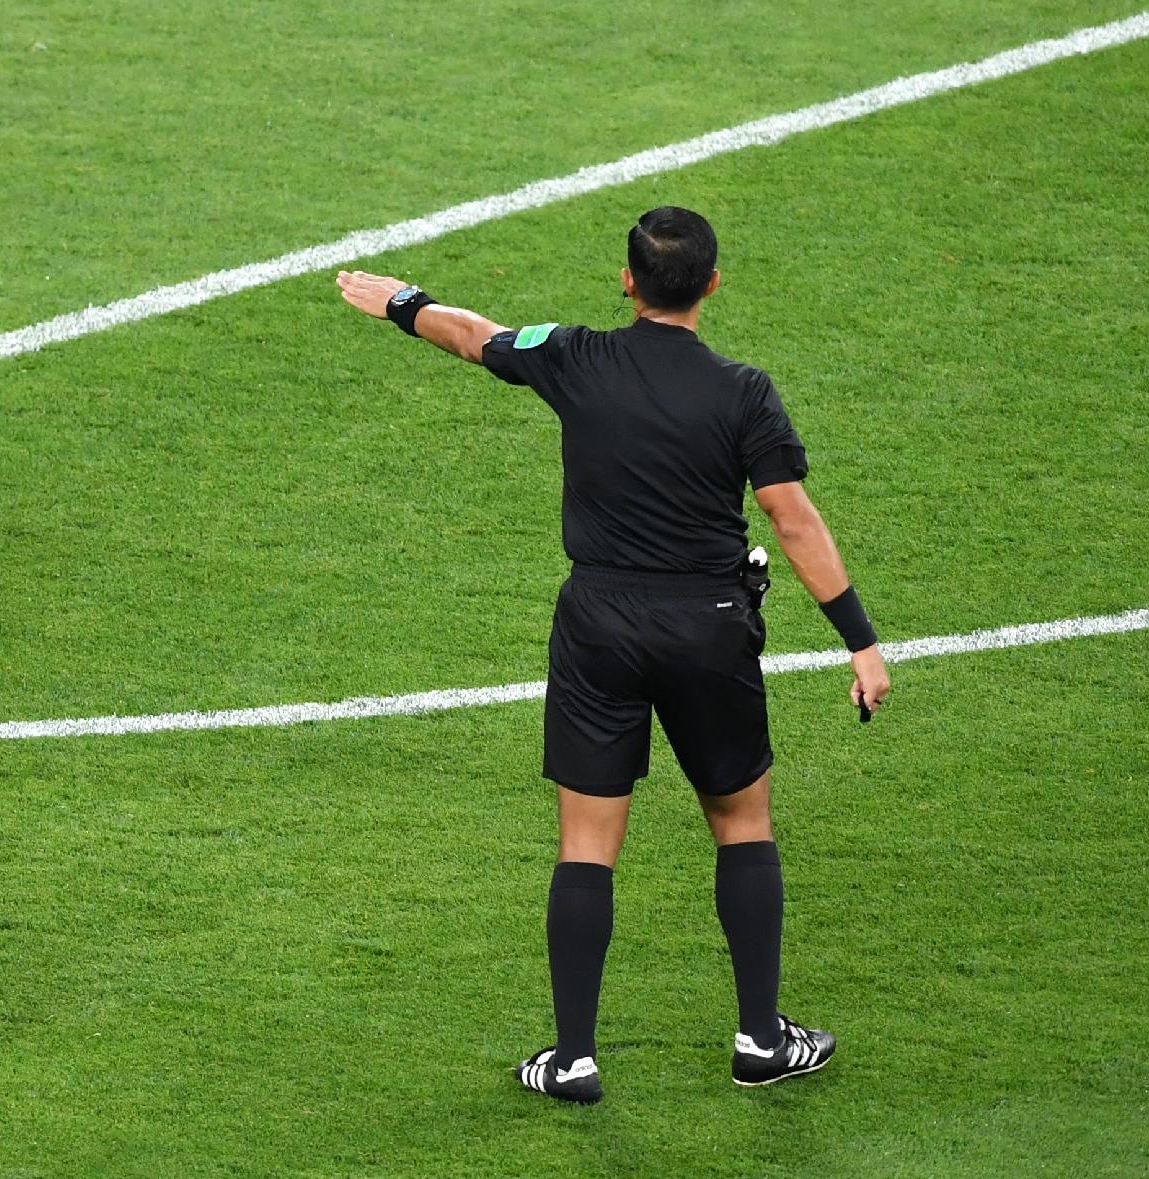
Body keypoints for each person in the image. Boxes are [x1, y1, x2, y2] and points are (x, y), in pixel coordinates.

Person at [334, 207, 891, 1103]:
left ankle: (575, 1056)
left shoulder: (578, 355)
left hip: (599, 623)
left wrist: (401, 300)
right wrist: (860, 640)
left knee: (587, 843)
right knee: (742, 824)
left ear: (627, 282)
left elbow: (475, 337)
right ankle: (758, 1040)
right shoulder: (744, 391)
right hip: (709, 625)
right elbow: (793, 519)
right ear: (712, 284)